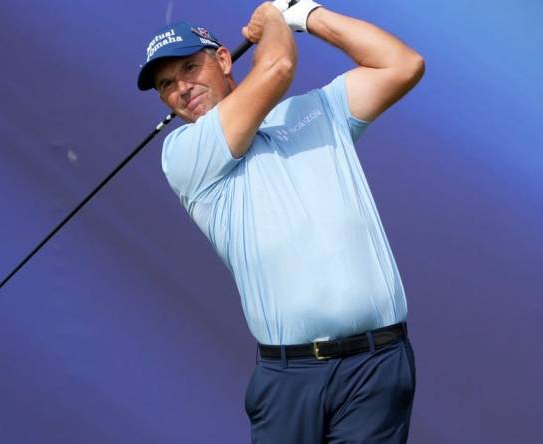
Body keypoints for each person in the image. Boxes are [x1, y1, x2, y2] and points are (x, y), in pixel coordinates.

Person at [136, 1, 424, 442]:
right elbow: (277, 66)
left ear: (224, 59)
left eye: (190, 68)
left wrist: (305, 14)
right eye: (166, 85)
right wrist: (273, 17)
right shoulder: (184, 153)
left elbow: (402, 64)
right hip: (290, 378)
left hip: (377, 366)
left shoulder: (316, 112)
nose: (181, 88)